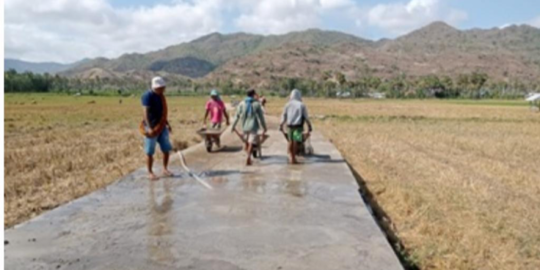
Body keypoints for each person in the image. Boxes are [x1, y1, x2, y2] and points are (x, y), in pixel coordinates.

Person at [139, 76, 173, 180]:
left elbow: (162, 112)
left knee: (166, 149)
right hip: (151, 127)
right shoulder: (147, 96)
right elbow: (145, 112)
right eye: (161, 87)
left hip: (162, 126)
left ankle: (165, 169)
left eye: (163, 87)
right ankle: (150, 172)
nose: (163, 89)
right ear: (156, 87)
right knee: (149, 152)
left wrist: (167, 124)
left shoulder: (161, 97)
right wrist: (149, 127)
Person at [232, 89, 267, 166]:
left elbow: (236, 116)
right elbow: (261, 118)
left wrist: (233, 126)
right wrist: (264, 128)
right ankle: (248, 157)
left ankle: (248, 156)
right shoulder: (256, 104)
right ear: (253, 94)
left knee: (246, 142)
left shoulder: (241, 104)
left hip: (244, 126)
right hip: (253, 126)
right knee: (251, 142)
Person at [279, 89, 313, 164]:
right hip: (298, 126)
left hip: (289, 126)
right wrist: (309, 126)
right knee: (295, 142)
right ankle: (293, 158)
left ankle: (291, 156)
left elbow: (284, 116)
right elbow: (306, 117)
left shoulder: (287, 104)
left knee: (290, 141)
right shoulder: (301, 105)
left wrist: (281, 125)